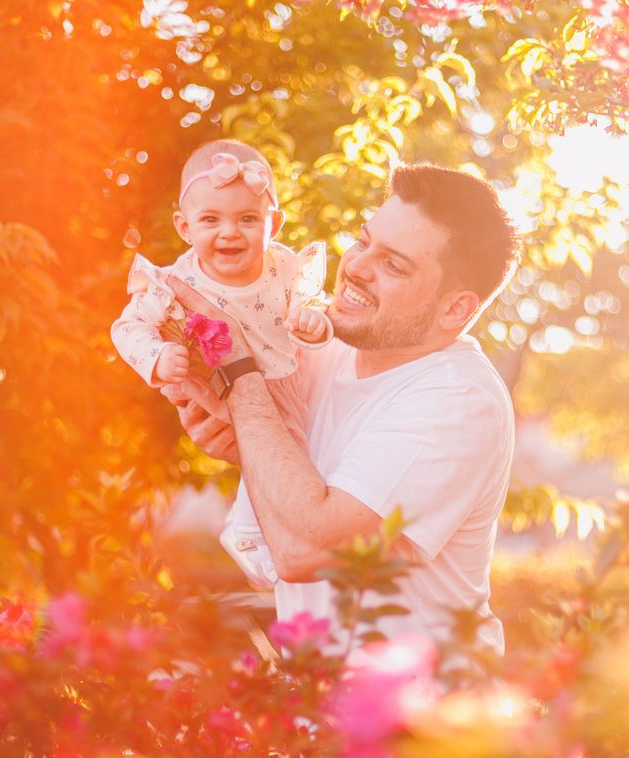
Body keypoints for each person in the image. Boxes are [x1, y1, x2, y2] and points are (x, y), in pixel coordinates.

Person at [164, 163, 521, 657]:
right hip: (318, 708)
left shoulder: (456, 399)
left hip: (421, 720)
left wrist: (239, 378)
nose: (354, 266)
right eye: (362, 240)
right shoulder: (320, 350)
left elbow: (302, 551)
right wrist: (246, 440)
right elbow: (277, 530)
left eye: (394, 265)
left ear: (455, 310)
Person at [111, 139, 332, 587]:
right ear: (185, 227)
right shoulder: (175, 282)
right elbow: (126, 327)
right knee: (273, 456)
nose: (229, 233)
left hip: (283, 383)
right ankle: (255, 536)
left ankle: (253, 531)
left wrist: (315, 324)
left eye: (248, 219)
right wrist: (157, 358)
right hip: (214, 388)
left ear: (274, 224)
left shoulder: (285, 267)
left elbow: (314, 305)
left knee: (288, 458)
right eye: (210, 220)